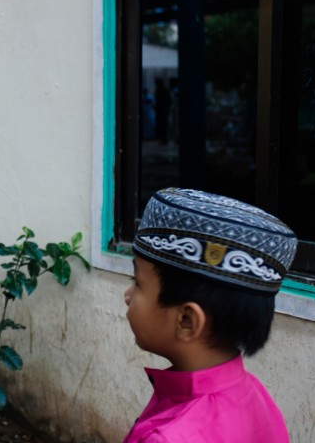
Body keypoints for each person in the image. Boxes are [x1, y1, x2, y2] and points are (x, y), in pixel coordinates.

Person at [123, 187, 295, 442]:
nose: (127, 295)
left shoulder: (166, 438)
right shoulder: (255, 397)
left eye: (137, 281)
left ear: (187, 321)